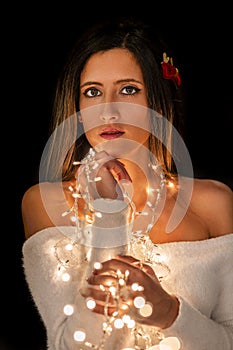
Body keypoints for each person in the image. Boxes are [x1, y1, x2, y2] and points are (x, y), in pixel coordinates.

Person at [21, 17, 233, 350]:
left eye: (128, 89)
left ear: (158, 101)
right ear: (77, 110)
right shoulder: (46, 203)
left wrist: (169, 313)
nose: (108, 111)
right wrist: (109, 213)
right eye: (92, 92)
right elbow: (75, 346)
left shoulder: (213, 203)